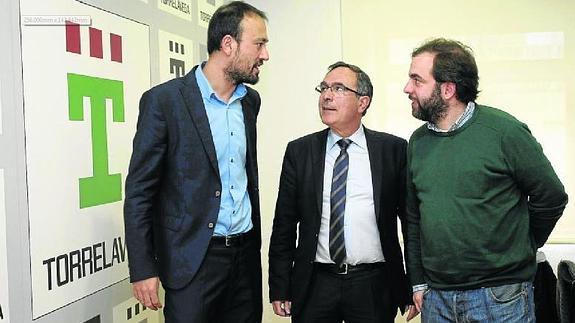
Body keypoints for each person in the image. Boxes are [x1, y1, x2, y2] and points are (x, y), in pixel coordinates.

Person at [403, 38, 568, 322]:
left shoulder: (504, 132)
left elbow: (551, 196)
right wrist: (418, 281)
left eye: (417, 80)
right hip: (437, 299)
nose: (407, 88)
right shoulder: (418, 142)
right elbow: (413, 216)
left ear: (447, 89)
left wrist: (525, 244)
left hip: (500, 297)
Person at [123, 2, 269, 322]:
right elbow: (139, 191)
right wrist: (143, 267)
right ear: (228, 44)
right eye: (259, 44)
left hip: (244, 261)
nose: (265, 55)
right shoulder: (164, 102)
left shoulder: (250, 102)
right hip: (193, 261)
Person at [268, 61, 417, 323]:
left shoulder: (392, 150)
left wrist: (413, 284)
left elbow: (410, 223)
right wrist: (280, 285)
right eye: (324, 88)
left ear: (363, 103)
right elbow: (284, 225)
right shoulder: (300, 152)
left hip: (373, 283)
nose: (326, 95)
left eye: (338, 88)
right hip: (315, 284)